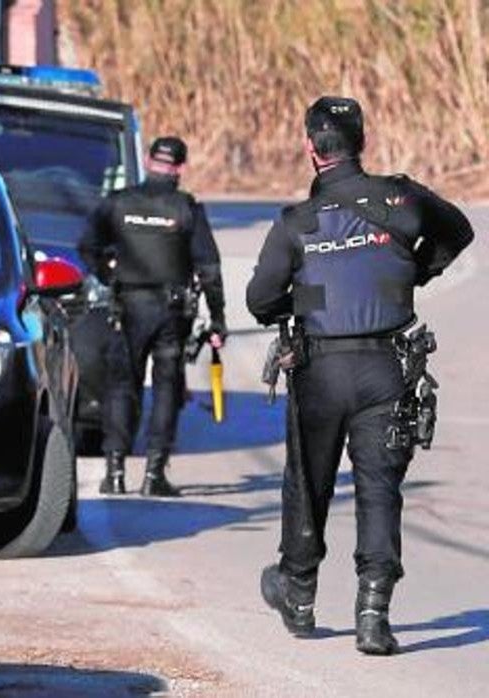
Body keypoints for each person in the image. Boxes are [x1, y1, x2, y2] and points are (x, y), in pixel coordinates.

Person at [246, 96, 474, 655]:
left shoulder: (296, 223)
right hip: (386, 369)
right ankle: (374, 613)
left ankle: (299, 597)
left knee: (309, 483)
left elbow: (258, 300)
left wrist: (297, 299)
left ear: (309, 146)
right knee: (379, 491)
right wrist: (414, 272)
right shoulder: (402, 198)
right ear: (362, 142)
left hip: (319, 370)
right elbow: (459, 232)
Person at [79, 136, 227, 497]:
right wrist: (218, 319)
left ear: (147, 161)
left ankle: (115, 472)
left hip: (127, 307)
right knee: (166, 388)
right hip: (170, 313)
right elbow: (208, 267)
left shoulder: (117, 203)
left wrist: (108, 276)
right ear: (179, 168)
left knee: (121, 388)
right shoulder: (186, 208)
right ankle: (154, 474)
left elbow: (87, 247)